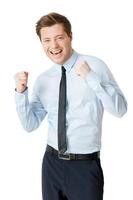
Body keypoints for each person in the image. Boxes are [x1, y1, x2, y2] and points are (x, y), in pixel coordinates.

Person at [14, 12, 127, 200]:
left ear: (70, 36)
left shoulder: (95, 66)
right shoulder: (43, 80)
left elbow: (120, 109)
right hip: (51, 164)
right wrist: (20, 93)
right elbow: (30, 125)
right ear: (41, 43)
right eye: (47, 40)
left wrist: (91, 78)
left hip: (84, 166)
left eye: (59, 38)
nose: (54, 46)